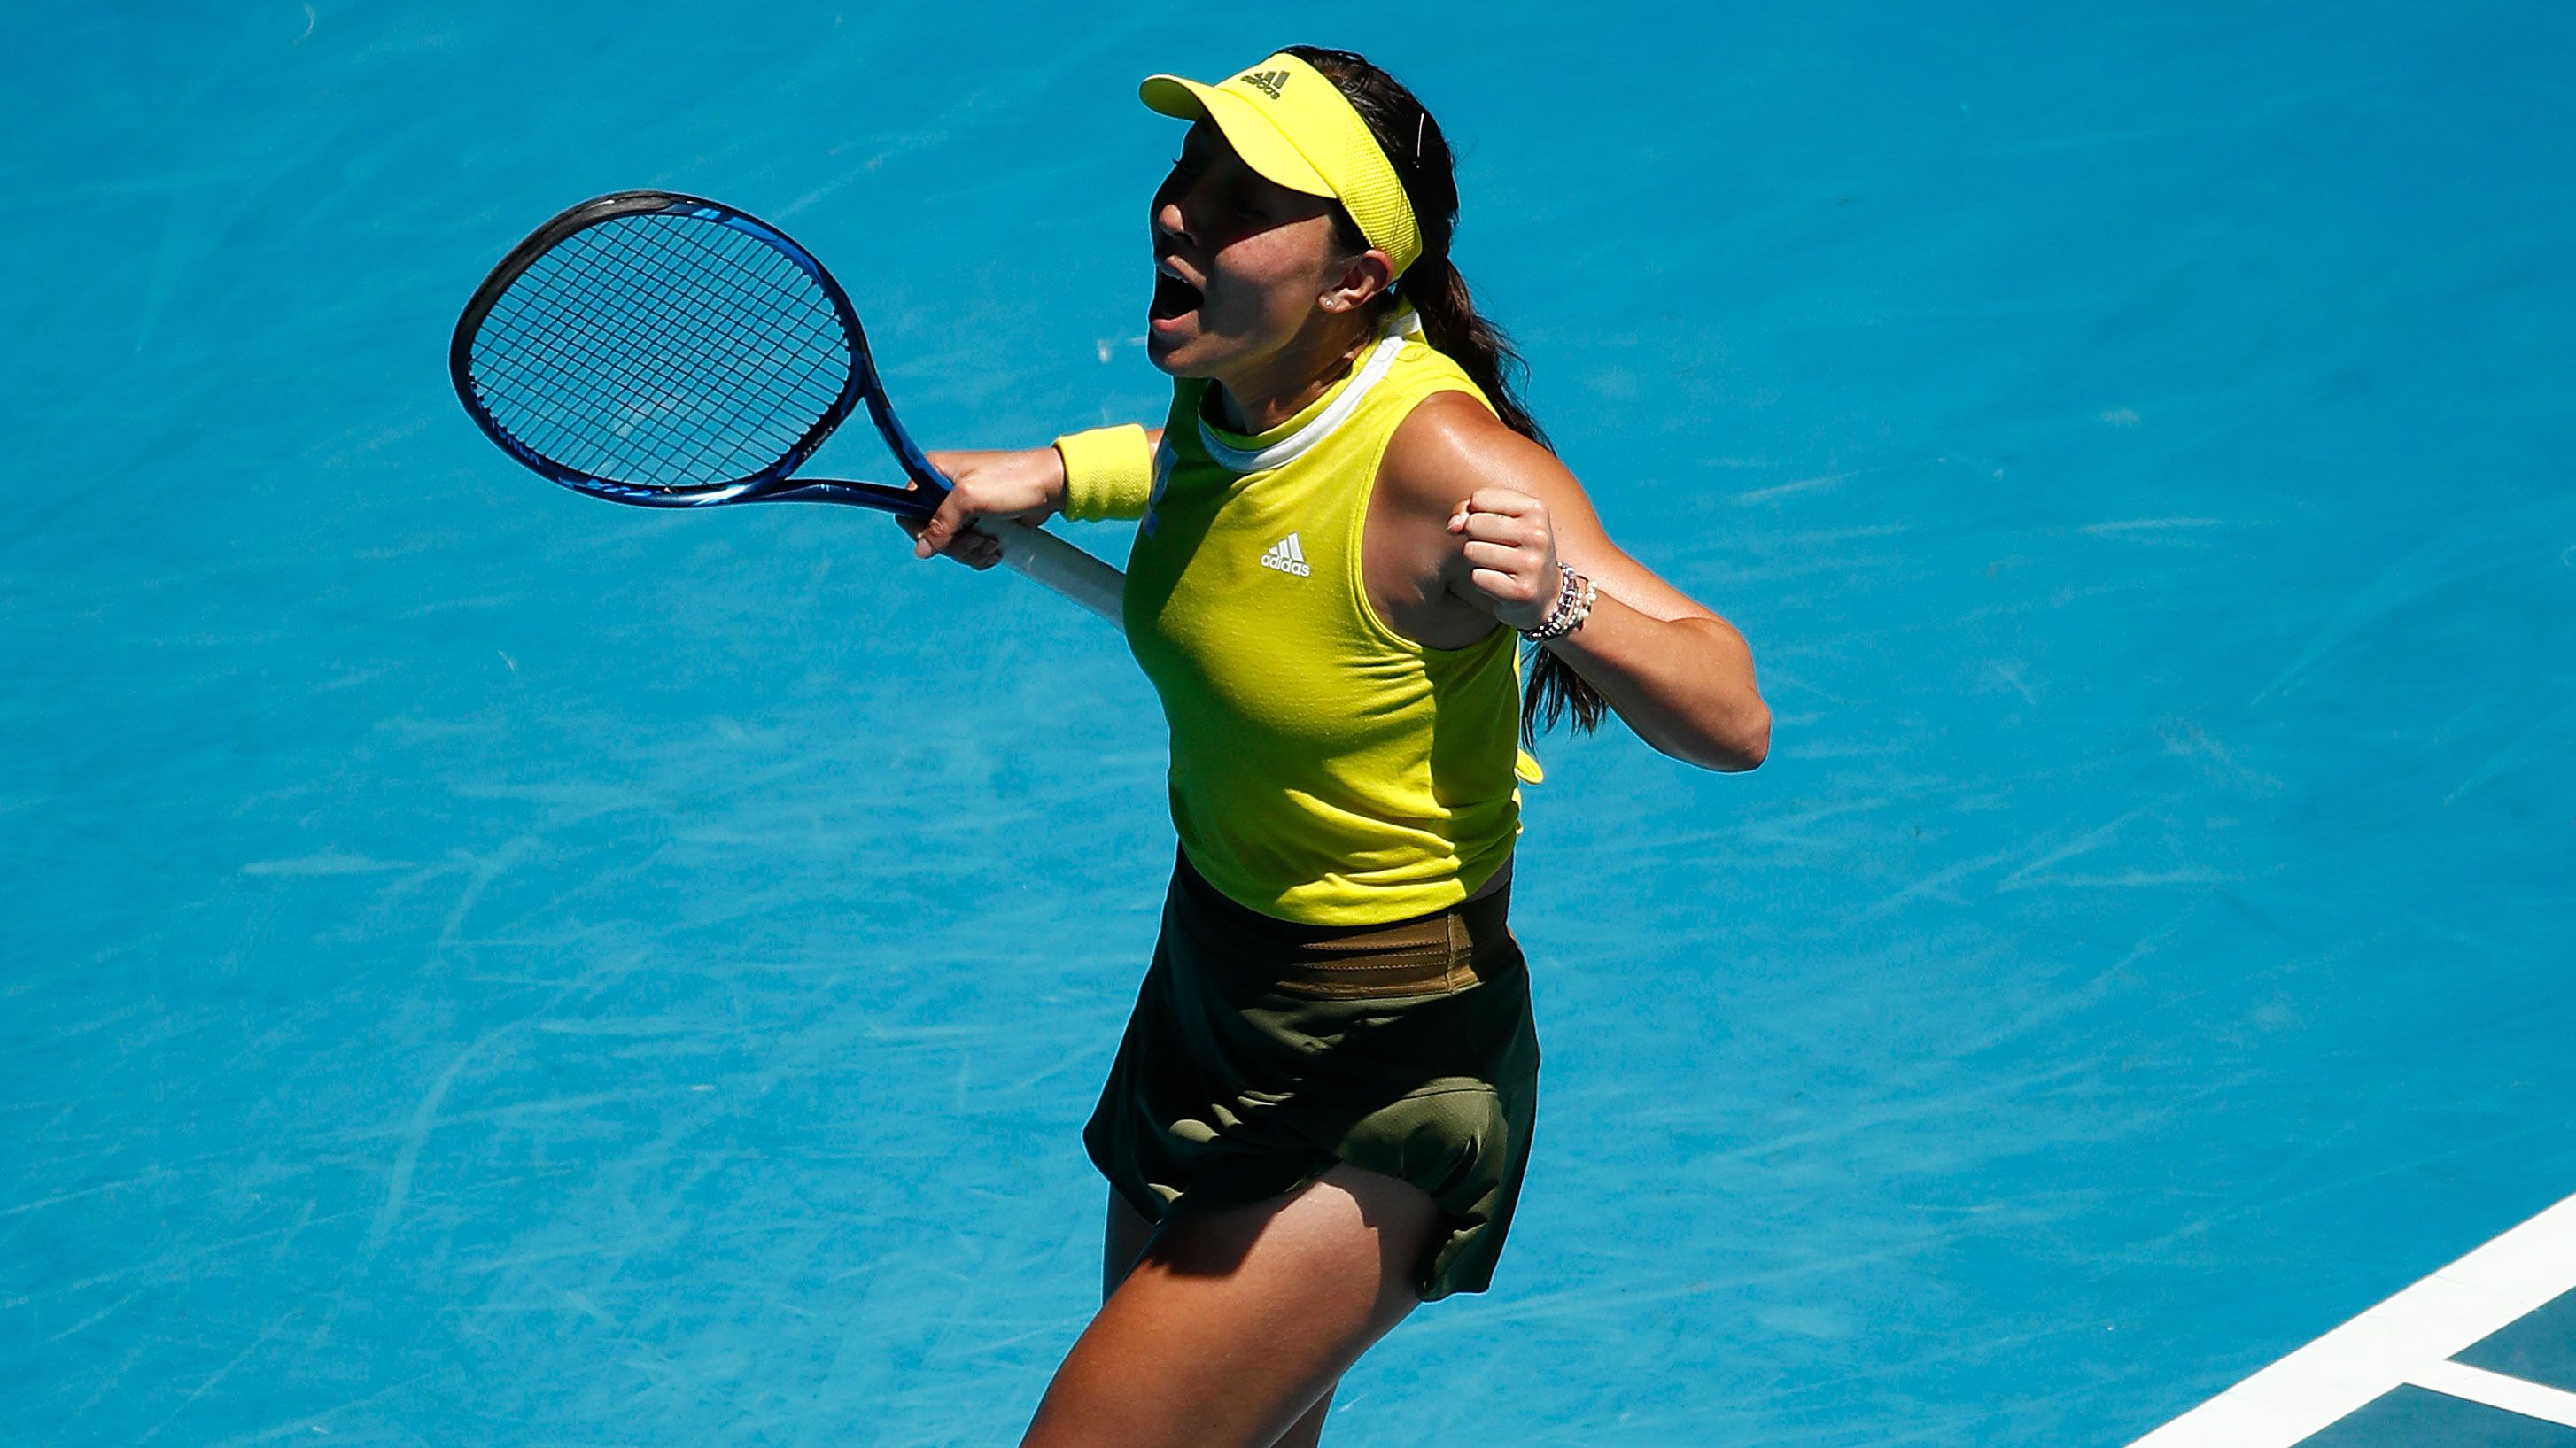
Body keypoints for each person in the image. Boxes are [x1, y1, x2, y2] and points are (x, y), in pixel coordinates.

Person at [904, 45, 1769, 1448]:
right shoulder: (1237, 377)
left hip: (1384, 1050)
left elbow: (1733, 714)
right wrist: (1058, 473)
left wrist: (1554, 601)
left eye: (1244, 202)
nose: (1183, 214)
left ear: (1357, 280)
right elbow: (1203, 465)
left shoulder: (1445, 464)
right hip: (1208, 984)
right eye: (1187, 174)